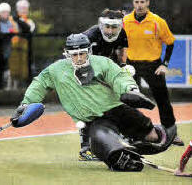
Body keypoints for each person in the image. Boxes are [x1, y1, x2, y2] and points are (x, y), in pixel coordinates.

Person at [11, 33, 177, 172]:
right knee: (100, 139)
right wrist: (26, 104)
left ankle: (157, 136)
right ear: (66, 54)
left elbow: (118, 76)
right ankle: (119, 157)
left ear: (88, 51)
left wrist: (129, 90)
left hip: (117, 109)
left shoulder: (102, 62)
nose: (78, 58)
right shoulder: (55, 70)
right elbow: (39, 84)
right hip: (94, 120)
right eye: (74, 54)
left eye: (82, 53)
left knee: (152, 136)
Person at [123, 0, 183, 146]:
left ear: (148, 3)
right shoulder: (125, 21)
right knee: (128, 99)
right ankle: (130, 132)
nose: (139, 5)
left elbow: (170, 42)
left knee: (163, 99)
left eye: (142, 2)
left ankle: (172, 132)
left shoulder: (157, 21)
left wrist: (165, 64)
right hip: (131, 65)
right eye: (136, 2)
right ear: (133, 3)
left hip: (153, 65)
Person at [79, 8, 135, 161]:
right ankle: (85, 148)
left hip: (108, 70)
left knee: (120, 103)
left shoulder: (122, 34)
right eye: (107, 26)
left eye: (114, 27)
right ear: (101, 25)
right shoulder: (88, 37)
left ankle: (122, 138)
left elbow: (121, 52)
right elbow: (78, 62)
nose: (110, 31)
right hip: (87, 72)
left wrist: (123, 67)